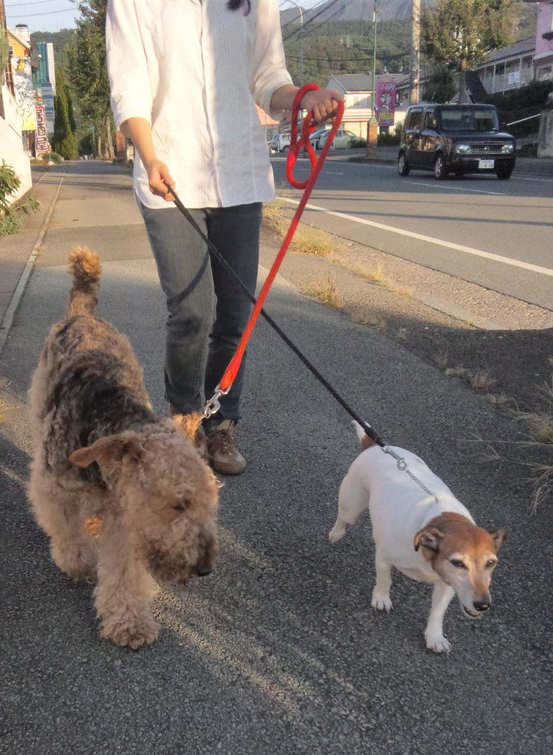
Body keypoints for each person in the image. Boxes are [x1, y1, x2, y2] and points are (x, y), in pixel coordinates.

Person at [106, 0, 342, 475]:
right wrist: (149, 157)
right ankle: (183, 425)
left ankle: (220, 426)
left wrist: (302, 98)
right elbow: (129, 86)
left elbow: (268, 78)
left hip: (239, 175)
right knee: (191, 313)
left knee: (236, 314)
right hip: (169, 174)